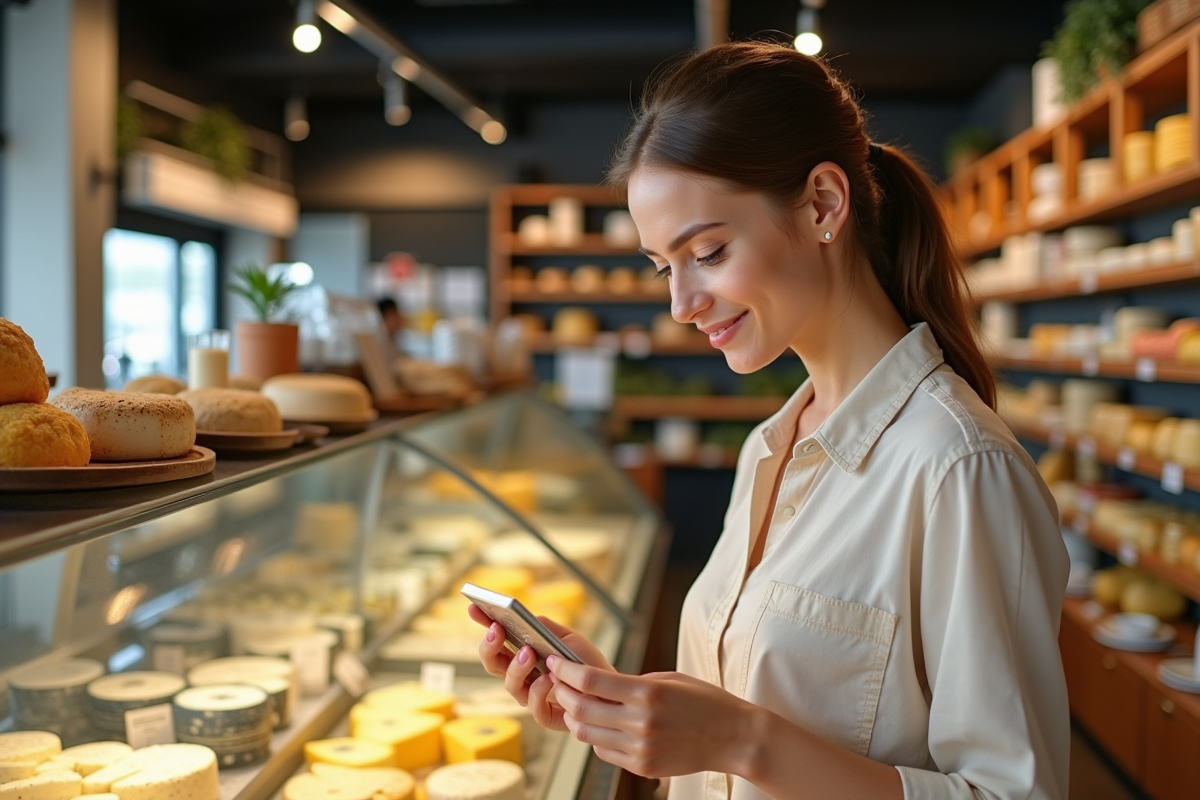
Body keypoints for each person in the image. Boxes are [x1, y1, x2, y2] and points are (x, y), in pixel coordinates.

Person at [469, 41, 1069, 800]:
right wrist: (619, 704)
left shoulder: (957, 468)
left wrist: (739, 740)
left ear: (823, 203)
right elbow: (746, 720)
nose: (682, 305)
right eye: (665, 268)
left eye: (709, 252)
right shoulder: (767, 448)